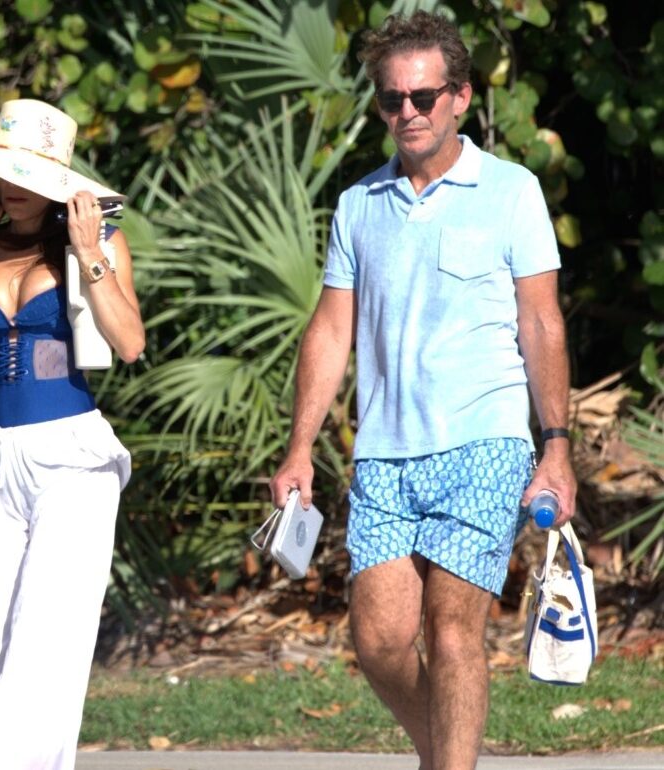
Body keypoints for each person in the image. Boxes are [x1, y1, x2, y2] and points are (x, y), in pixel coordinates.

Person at [269, 12, 576, 770]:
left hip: (486, 442)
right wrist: (300, 449)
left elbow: (541, 323)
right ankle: (448, 753)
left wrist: (557, 447)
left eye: (423, 96)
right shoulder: (358, 206)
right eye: (390, 99)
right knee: (376, 641)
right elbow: (330, 332)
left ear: (461, 97)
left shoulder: (512, 191)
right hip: (386, 453)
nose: (406, 112)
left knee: (450, 631)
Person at [0, 99, 145, 770]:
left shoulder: (96, 244)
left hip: (72, 463)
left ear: (55, 185)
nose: (12, 189)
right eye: (1, 174)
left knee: (40, 655)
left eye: (27, 177)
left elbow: (129, 342)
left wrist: (86, 251)